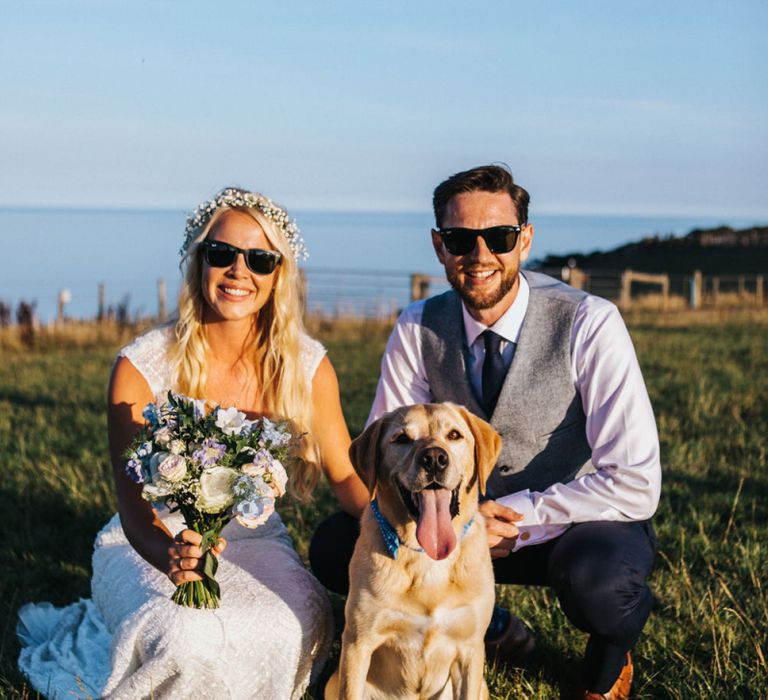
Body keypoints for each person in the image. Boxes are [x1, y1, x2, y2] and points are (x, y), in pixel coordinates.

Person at [310, 165, 661, 699]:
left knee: (603, 582)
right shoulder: (417, 326)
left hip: (567, 526)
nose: (479, 256)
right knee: (337, 544)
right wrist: (455, 521)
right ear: (438, 245)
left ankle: (606, 670)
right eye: (459, 239)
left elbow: (636, 480)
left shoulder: (590, 322)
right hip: (446, 526)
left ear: (524, 238)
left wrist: (520, 514)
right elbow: (387, 453)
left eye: (498, 237)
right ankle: (482, 626)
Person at [17, 187, 368, 699]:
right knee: (185, 636)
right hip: (148, 542)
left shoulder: (306, 366)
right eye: (221, 253)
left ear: (279, 274)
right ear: (199, 261)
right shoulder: (140, 367)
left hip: (255, 540)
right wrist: (170, 557)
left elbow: (345, 475)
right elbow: (135, 510)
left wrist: (412, 529)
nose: (238, 271)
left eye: (260, 259)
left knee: (300, 621)